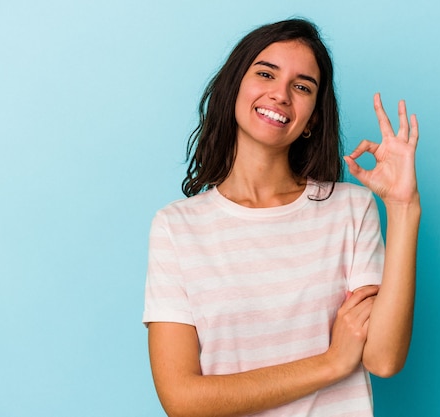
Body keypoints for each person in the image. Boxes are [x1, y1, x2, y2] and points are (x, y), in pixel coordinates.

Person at [143, 18, 420, 417]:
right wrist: (331, 363)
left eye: (302, 86)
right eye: (266, 73)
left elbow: (384, 359)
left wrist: (403, 207)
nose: (281, 94)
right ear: (234, 86)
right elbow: (182, 400)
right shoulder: (176, 228)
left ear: (313, 119)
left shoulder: (351, 209)